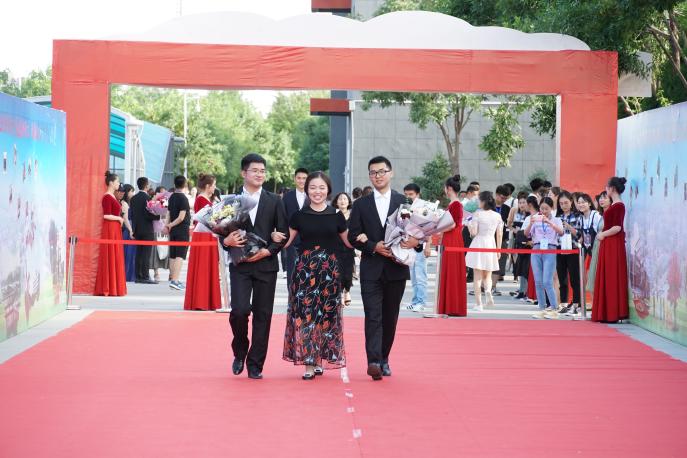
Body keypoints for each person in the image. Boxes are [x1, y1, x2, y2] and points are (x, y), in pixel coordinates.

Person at [347, 156, 419, 380]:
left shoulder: (404, 202)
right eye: (373, 172)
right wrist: (373, 246)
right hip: (371, 268)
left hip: (396, 269)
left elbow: (418, 233)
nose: (377, 176)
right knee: (373, 316)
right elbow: (352, 236)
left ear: (391, 173)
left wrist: (415, 242)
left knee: (390, 317)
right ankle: (374, 361)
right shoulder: (361, 204)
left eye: (381, 171)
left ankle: (384, 358)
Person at [281, 172, 357, 380]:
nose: (317, 191)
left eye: (322, 187)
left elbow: (349, 242)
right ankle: (308, 362)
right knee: (307, 317)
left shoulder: (336, 216)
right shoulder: (298, 216)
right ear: (307, 190)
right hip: (305, 272)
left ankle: (318, 360)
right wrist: (270, 238)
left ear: (328, 190)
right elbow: (286, 241)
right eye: (313, 187)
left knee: (325, 317)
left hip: (329, 274)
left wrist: (368, 239)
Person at [222, 153, 288, 380]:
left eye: (262, 171)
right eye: (255, 171)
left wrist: (268, 250)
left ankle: (255, 364)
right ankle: (240, 351)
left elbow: (283, 233)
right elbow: (221, 230)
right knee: (239, 311)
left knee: (263, 315)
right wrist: (226, 241)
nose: (259, 174)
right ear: (244, 173)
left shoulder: (274, 200)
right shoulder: (231, 201)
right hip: (240, 264)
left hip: (266, 265)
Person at [592, 177, 629, 323]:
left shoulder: (619, 206)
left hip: (613, 244)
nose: (605, 190)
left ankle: (612, 313)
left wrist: (603, 234)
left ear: (612, 188)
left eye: (607, 188)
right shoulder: (614, 204)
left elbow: (617, 227)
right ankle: (607, 312)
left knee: (611, 276)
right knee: (607, 275)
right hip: (609, 243)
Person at [184, 174, 221, 311]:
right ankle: (201, 300)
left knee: (208, 266)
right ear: (207, 186)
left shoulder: (206, 199)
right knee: (203, 267)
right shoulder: (201, 199)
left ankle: (207, 299)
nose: (215, 187)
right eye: (214, 185)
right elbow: (202, 219)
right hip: (203, 235)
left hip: (208, 235)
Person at [524, 197, 564, 319]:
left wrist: (549, 223)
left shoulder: (556, 219)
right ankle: (542, 308)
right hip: (536, 248)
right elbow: (526, 234)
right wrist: (531, 223)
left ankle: (554, 308)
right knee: (538, 281)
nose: (544, 211)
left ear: (551, 208)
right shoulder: (536, 218)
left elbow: (561, 232)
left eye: (547, 208)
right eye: (542, 208)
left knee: (547, 281)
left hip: (550, 249)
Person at [465, 191, 503, 310]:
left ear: (483, 201)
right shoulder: (497, 215)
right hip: (491, 244)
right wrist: (498, 250)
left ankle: (478, 304)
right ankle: (488, 291)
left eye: (479, 200)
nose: (478, 202)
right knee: (488, 275)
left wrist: (468, 224)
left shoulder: (478, 214)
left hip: (479, 243)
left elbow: (474, 233)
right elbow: (499, 234)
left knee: (477, 276)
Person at [437, 175, 466, 316]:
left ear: (449, 188)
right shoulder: (455, 204)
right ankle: (451, 305)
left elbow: (453, 224)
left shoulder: (455, 204)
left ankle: (452, 306)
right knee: (450, 270)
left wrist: (438, 228)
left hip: (452, 238)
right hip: (452, 237)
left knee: (451, 270)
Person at [94, 171, 127, 296]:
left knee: (115, 255)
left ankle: (115, 286)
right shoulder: (107, 197)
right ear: (111, 183)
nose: (119, 184)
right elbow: (106, 215)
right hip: (110, 228)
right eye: (117, 181)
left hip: (114, 228)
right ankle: (110, 286)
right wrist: (119, 218)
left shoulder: (112, 196)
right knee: (111, 255)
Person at [403, 183, 433, 312]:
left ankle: (421, 302)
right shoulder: (405, 206)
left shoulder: (425, 207)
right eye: (406, 194)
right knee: (414, 276)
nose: (408, 197)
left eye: (411, 194)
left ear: (418, 194)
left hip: (421, 244)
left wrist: (428, 245)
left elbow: (431, 227)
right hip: (409, 244)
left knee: (420, 275)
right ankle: (415, 301)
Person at [556, 191, 582, 315]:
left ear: (571, 202)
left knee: (574, 278)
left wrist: (568, 227)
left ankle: (576, 304)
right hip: (560, 249)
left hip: (573, 249)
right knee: (562, 278)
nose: (564, 206)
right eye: (561, 203)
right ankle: (564, 304)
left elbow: (579, 234)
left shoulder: (577, 216)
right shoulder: (558, 217)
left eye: (566, 203)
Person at [130, 176, 160, 284]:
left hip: (137, 229)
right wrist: (158, 216)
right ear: (146, 186)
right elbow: (148, 215)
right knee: (146, 254)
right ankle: (145, 276)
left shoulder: (133, 198)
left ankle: (138, 276)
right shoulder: (147, 198)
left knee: (139, 253)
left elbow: (132, 215)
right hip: (147, 229)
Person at [282, 168, 309, 283]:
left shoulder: (313, 196)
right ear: (294, 179)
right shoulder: (287, 197)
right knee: (292, 270)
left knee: (308, 269)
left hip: (310, 239)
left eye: (304, 178)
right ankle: (291, 294)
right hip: (292, 240)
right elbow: (283, 217)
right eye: (299, 178)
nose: (301, 181)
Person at [166, 175, 191, 291]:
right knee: (180, 255)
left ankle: (172, 278)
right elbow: (181, 217)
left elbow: (169, 213)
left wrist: (167, 225)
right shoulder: (183, 198)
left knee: (173, 254)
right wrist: (170, 225)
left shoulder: (172, 197)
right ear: (184, 184)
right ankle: (175, 280)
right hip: (182, 229)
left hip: (173, 230)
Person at [332, 191, 355, 306]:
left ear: (348, 202)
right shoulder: (333, 215)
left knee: (348, 271)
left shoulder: (354, 216)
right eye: (340, 199)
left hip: (349, 248)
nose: (342, 201)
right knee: (338, 271)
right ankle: (340, 294)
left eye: (345, 199)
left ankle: (347, 290)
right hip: (336, 247)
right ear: (336, 202)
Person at [586, 191, 609, 299]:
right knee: (594, 274)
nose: (601, 200)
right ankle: (596, 303)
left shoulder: (609, 214)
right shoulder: (602, 215)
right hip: (597, 246)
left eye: (605, 197)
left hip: (604, 246)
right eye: (600, 198)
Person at [508, 193, 531, 299]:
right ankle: (521, 290)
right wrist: (515, 231)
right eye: (520, 202)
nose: (522, 205)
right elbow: (509, 224)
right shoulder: (515, 211)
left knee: (526, 268)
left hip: (528, 243)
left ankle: (526, 291)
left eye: (524, 202)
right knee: (519, 265)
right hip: (517, 241)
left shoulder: (530, 215)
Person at [492, 185, 512, 295]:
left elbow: (508, 224)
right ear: (496, 194)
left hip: (502, 238)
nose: (503, 200)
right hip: (489, 238)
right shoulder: (488, 205)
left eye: (506, 198)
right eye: (502, 197)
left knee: (499, 263)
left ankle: (493, 286)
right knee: (486, 262)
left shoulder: (507, 209)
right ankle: (483, 286)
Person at [119, 184, 137, 282]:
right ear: (127, 192)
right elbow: (125, 219)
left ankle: (128, 275)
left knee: (129, 253)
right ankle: (127, 275)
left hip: (128, 229)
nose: (132, 193)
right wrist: (131, 230)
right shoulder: (124, 204)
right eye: (131, 191)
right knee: (128, 254)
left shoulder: (126, 203)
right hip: (127, 230)